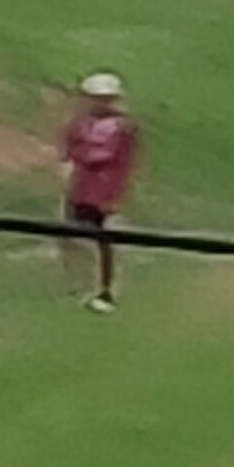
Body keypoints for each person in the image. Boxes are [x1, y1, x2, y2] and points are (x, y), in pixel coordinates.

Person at [59, 71, 139, 313]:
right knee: (70, 236)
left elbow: (104, 155)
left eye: (105, 98)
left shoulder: (121, 127)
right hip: (81, 188)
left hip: (106, 191)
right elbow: (68, 147)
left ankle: (107, 290)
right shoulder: (80, 123)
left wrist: (80, 155)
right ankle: (80, 284)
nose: (99, 102)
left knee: (106, 242)